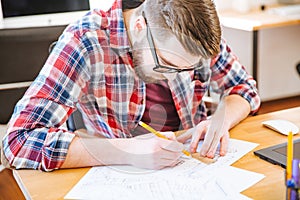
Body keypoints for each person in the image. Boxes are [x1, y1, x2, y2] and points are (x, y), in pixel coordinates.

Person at [2, 0, 260, 171]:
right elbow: (18, 141)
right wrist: (127, 152)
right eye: (168, 64)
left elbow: (244, 89)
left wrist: (221, 120)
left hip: (194, 168)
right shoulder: (86, 41)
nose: (175, 78)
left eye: (189, 69)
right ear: (140, 26)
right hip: (118, 174)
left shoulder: (194, 33)